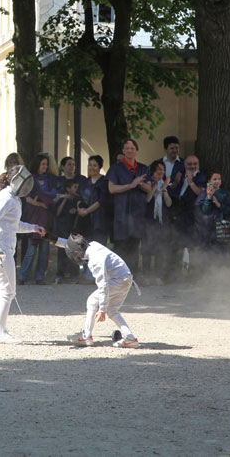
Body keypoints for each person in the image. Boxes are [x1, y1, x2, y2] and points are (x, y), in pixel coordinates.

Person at [0, 165, 46, 344]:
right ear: (15, 181)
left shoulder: (15, 200)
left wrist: (32, 228)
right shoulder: (5, 198)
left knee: (5, 290)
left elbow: (12, 225)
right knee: (8, 290)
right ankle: (1, 332)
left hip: (5, 249)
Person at [58, 233, 140, 348]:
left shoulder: (95, 260)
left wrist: (102, 309)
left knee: (92, 301)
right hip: (126, 279)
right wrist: (51, 238)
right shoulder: (93, 245)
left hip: (118, 280)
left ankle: (86, 336)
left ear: (76, 253)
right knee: (112, 311)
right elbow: (68, 244)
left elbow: (103, 286)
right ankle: (130, 339)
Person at [107, 138, 151, 268]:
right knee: (120, 246)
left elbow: (149, 189)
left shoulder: (143, 168)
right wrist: (131, 185)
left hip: (138, 213)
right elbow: (111, 188)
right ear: (123, 151)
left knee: (134, 246)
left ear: (136, 150)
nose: (130, 151)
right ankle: (118, 277)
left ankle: (133, 277)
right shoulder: (116, 168)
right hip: (122, 213)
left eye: (132, 148)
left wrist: (139, 183)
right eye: (127, 149)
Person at [17, 154, 57, 285]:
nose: (45, 166)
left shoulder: (50, 179)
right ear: (37, 165)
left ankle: (40, 277)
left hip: (47, 217)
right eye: (43, 164)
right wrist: (40, 203)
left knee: (44, 249)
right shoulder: (31, 179)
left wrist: (41, 198)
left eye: (46, 164)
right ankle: (23, 276)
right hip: (34, 216)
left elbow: (53, 195)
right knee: (31, 249)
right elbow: (27, 198)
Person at [169, 154, 206, 278]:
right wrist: (177, 181)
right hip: (179, 216)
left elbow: (201, 193)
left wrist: (191, 182)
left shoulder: (200, 177)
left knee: (194, 246)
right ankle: (175, 274)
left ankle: (194, 276)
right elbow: (173, 192)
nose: (192, 166)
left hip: (194, 217)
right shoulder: (180, 176)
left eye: (195, 164)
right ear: (185, 165)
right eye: (189, 164)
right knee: (177, 244)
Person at [142, 160, 173, 285]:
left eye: (163, 169)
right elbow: (147, 199)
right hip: (149, 222)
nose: (161, 172)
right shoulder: (147, 185)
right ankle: (146, 276)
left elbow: (169, 204)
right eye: (158, 169)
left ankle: (158, 276)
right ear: (153, 172)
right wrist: (155, 186)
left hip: (161, 223)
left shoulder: (166, 186)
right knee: (147, 249)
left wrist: (164, 188)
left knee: (160, 249)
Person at [200, 171, 230, 262]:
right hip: (208, 230)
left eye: (219, 179)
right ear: (209, 181)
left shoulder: (225, 194)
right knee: (208, 255)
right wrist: (208, 198)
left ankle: (223, 273)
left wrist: (220, 206)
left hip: (221, 229)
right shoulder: (203, 194)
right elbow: (204, 210)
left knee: (222, 255)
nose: (217, 181)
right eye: (214, 179)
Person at [54, 177, 85, 284]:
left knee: (75, 251)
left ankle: (75, 274)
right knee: (61, 252)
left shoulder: (78, 199)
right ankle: (59, 274)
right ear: (68, 189)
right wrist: (65, 199)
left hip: (74, 230)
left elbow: (81, 208)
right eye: (74, 187)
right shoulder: (62, 198)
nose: (77, 189)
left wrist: (76, 209)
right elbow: (57, 213)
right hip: (62, 229)